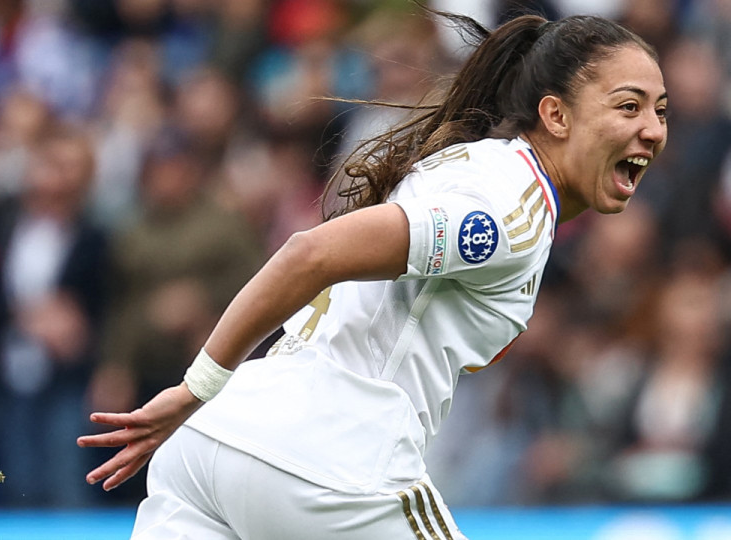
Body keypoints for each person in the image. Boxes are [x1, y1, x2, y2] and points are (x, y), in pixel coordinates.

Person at [78, 10, 668, 539]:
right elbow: (310, 253)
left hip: (212, 448)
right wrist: (195, 385)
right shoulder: (506, 214)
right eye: (628, 105)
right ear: (555, 115)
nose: (653, 129)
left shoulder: (474, 162)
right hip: (329, 465)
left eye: (660, 111)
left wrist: (204, 401)